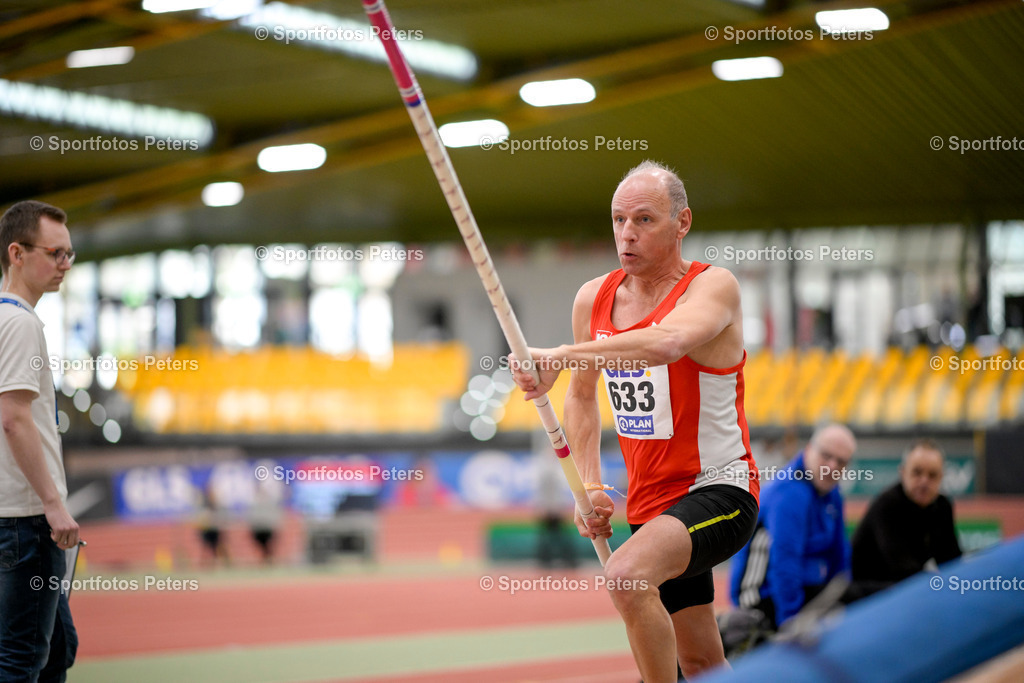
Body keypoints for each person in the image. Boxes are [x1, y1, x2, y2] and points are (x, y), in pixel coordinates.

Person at [512, 160, 760, 682]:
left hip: (720, 491)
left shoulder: (712, 287)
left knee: (624, 575)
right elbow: (580, 399)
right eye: (619, 219)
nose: (628, 233)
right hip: (650, 507)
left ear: (682, 223)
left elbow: (666, 343)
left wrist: (561, 353)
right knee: (701, 661)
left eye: (645, 220)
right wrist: (592, 485)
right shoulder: (592, 299)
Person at [0, 200, 79, 681]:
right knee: (22, 663)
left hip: (17, 519)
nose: (64, 265)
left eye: (71, 254)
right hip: (27, 523)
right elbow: (14, 419)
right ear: (17, 253)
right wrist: (52, 505)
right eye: (55, 253)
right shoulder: (21, 323)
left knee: (55, 651)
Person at [729, 423, 857, 630]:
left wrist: (840, 594)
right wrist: (791, 622)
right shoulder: (790, 494)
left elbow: (840, 554)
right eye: (826, 456)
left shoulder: (832, 494)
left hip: (805, 588)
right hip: (762, 599)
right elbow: (785, 563)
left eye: (841, 462)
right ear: (808, 450)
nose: (832, 467)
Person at [849, 439, 961, 598]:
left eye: (932, 475)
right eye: (917, 472)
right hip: (868, 593)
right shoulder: (887, 505)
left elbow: (951, 560)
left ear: (941, 477)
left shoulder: (942, 506)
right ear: (902, 472)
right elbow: (902, 569)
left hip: (902, 590)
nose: (924, 481)